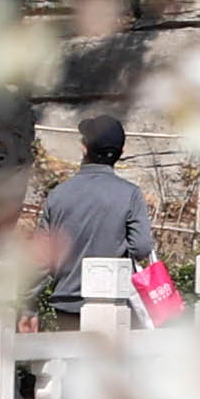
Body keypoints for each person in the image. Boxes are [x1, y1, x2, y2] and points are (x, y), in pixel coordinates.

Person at [37, 109, 154, 292]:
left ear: (84, 148)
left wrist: (28, 306)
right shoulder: (131, 194)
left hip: (65, 303)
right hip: (114, 304)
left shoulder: (59, 194)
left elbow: (41, 258)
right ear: (121, 152)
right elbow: (142, 247)